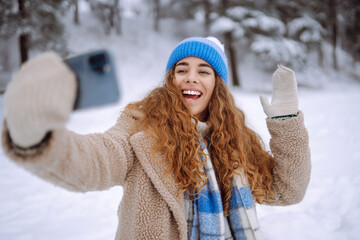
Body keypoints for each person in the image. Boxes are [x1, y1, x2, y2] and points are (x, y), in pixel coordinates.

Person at [2, 37, 311, 240]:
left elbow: (287, 190)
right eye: (182, 69)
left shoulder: (236, 142)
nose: (191, 77)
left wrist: (286, 123)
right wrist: (38, 137)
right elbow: (99, 158)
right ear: (171, 79)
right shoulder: (141, 128)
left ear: (218, 85)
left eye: (204, 71)